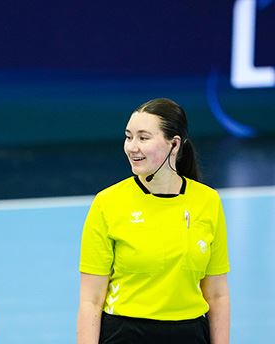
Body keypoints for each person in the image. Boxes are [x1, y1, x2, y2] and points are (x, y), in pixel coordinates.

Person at [77, 98, 230, 343]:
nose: (132, 147)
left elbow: (217, 295)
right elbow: (90, 300)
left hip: (189, 334)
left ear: (174, 144)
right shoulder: (107, 203)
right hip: (125, 334)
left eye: (143, 137)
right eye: (128, 137)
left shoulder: (208, 201)